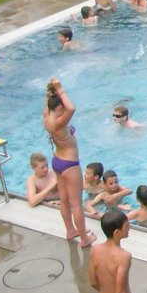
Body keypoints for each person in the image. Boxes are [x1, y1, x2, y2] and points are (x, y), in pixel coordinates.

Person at [44, 78, 94, 246]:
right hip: (69, 165)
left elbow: (50, 104)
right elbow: (72, 108)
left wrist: (50, 93)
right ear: (59, 107)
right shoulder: (59, 123)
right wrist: (60, 89)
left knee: (64, 199)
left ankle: (70, 230)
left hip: (57, 161)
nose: (65, 108)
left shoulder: (47, 118)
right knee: (76, 204)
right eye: (62, 106)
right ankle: (84, 239)